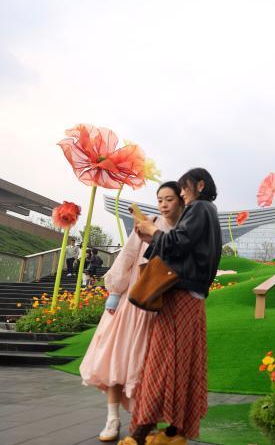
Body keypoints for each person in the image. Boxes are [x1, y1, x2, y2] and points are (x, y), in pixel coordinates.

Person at [80, 182, 185, 442]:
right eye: (160, 199)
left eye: (170, 199)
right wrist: (115, 292)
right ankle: (112, 418)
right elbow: (127, 256)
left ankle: (145, 421)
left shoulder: (184, 232)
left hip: (160, 307)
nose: (164, 204)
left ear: (181, 201)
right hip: (133, 302)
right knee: (116, 358)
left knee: (148, 368)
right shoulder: (148, 222)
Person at [125, 168, 222, 445]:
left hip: (180, 296)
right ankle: (174, 432)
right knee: (182, 364)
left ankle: (140, 434)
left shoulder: (199, 208)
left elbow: (177, 244)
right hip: (192, 297)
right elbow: (180, 247)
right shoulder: (209, 212)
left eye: (183, 189)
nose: (182, 194)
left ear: (199, 185)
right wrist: (153, 236)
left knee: (161, 362)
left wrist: (153, 231)